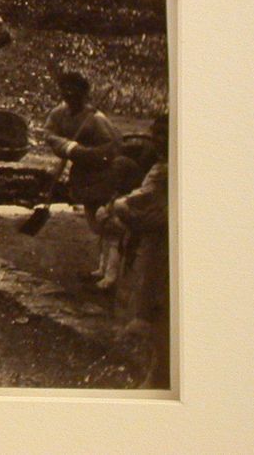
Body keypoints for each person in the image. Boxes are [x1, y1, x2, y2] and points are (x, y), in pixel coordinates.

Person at [97, 112, 169, 388]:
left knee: (153, 300)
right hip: (154, 237)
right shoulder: (158, 164)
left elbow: (142, 200)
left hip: (160, 243)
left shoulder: (164, 171)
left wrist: (118, 207)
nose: (158, 140)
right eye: (155, 133)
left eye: (165, 135)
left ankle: (154, 372)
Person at [41, 71, 124, 289]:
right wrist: (67, 146)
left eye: (74, 90)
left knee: (108, 224)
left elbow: (111, 149)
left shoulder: (97, 119)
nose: (69, 94)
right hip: (83, 175)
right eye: (65, 89)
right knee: (95, 223)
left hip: (102, 174)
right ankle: (101, 269)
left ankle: (111, 275)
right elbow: (48, 134)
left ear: (84, 93)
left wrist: (80, 152)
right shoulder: (59, 113)